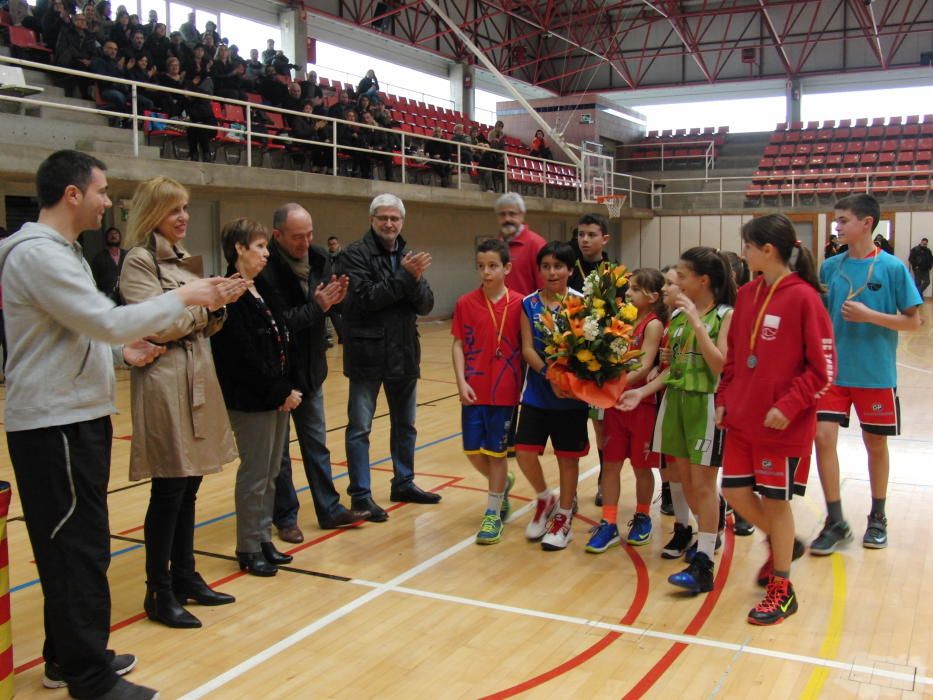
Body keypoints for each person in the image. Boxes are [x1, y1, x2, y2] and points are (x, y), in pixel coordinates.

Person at [0, 150, 233, 700]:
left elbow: (75, 336)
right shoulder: (40, 255)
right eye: (102, 191)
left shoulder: (62, 253)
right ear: (74, 194)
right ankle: (90, 679)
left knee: (76, 544)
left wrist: (118, 356)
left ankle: (68, 657)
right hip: (54, 424)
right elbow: (104, 321)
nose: (109, 202)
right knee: (77, 548)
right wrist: (183, 295)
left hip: (75, 415)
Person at [119, 176, 246, 630]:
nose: (184, 217)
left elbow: (197, 320)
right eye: (175, 210)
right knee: (169, 487)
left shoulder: (182, 260)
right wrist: (202, 310)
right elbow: (154, 324)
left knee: (189, 484)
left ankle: (186, 574)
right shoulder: (140, 260)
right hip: (164, 380)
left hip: (195, 372)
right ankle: (159, 589)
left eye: (186, 209)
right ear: (154, 212)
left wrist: (218, 306)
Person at [717, 214, 835, 625]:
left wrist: (788, 406)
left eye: (747, 246)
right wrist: (723, 398)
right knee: (733, 493)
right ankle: (785, 542)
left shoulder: (804, 298)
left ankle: (783, 587)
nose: (743, 252)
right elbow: (734, 358)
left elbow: (823, 371)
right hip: (741, 420)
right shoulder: (747, 293)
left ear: (767, 250)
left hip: (780, 425)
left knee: (775, 501)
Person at [811, 194, 923, 553]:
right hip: (834, 375)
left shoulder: (892, 268)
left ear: (866, 223)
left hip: (875, 375)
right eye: (837, 220)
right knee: (823, 438)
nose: (837, 226)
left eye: (843, 220)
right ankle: (836, 520)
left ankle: (877, 516)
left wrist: (869, 315)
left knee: (875, 444)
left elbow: (913, 321)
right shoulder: (830, 267)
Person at [619, 247, 735, 594]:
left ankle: (705, 561)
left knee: (702, 485)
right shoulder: (678, 318)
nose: (677, 282)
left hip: (705, 404)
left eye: (682, 276)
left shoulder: (724, 315)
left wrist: (699, 324)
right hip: (676, 402)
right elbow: (670, 370)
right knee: (682, 481)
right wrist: (641, 392)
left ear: (703, 281)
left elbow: (720, 366)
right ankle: (701, 540)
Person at [260, 204, 371, 542]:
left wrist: (336, 302)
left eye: (309, 234)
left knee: (316, 445)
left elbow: (326, 304)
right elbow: (278, 324)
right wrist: (318, 307)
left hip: (311, 369)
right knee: (279, 455)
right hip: (278, 374)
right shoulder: (264, 270)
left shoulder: (321, 258)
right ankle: (285, 517)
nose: (305, 243)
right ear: (277, 235)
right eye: (297, 237)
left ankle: (329, 508)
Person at [341, 194, 441, 515]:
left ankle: (403, 482)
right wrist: (404, 278)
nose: (389, 224)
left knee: (405, 425)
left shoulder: (408, 257)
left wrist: (410, 279)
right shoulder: (353, 255)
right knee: (360, 428)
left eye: (394, 219)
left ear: (402, 222)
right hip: (367, 355)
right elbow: (366, 299)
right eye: (383, 218)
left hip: (404, 353)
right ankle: (360, 494)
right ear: (372, 220)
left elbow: (425, 304)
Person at [211, 218, 299, 577]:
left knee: (272, 471)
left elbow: (280, 340)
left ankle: (263, 537)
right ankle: (248, 545)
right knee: (255, 474)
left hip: (276, 397)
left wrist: (288, 387)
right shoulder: (229, 293)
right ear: (239, 250)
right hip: (251, 399)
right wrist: (278, 390)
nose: (266, 253)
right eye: (260, 246)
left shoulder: (261, 287)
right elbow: (241, 355)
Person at [516, 241, 589, 550]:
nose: (552, 272)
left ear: (570, 270)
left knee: (567, 459)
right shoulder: (529, 304)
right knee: (524, 452)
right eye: (546, 266)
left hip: (571, 398)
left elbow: (588, 349)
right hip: (537, 393)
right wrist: (549, 374)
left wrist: (569, 379)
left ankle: (565, 516)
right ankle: (546, 498)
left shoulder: (583, 304)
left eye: (558, 266)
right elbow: (527, 348)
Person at [586, 268, 666, 553]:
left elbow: (644, 366)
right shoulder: (623, 320)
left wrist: (614, 386)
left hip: (640, 403)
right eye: (628, 288)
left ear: (653, 296)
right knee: (610, 463)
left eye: (634, 289)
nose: (627, 293)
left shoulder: (653, 325)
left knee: (642, 467)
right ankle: (608, 522)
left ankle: (642, 516)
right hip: (616, 406)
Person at [452, 239, 523, 544]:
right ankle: (503, 483)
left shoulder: (521, 303)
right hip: (473, 387)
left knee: (496, 453)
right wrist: (460, 381)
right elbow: (457, 344)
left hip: (506, 390)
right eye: (481, 266)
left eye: (492, 265)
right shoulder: (465, 303)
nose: (486, 271)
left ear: (506, 267)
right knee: (472, 451)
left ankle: (492, 513)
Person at [494, 193, 546, 296]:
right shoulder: (495, 245)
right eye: (502, 214)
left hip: (526, 310)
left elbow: (544, 288)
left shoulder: (536, 244)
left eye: (512, 214)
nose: (507, 219)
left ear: (522, 215)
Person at [90, 225, 126, 302]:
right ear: (106, 238)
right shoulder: (98, 258)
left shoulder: (127, 255)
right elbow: (93, 280)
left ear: (120, 237)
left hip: (126, 297)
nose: (113, 235)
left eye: (116, 233)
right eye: (111, 234)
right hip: (107, 299)